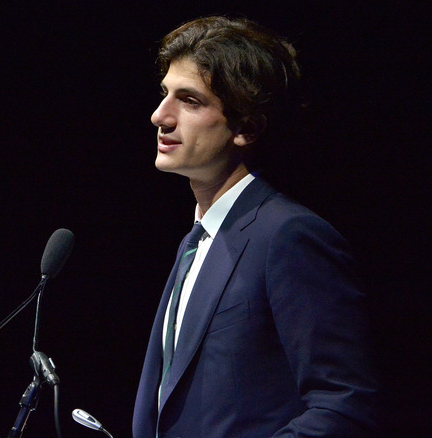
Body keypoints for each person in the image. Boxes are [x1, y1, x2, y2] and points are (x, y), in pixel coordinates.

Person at [132, 16, 379, 437]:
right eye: (164, 95)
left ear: (245, 126)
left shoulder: (289, 235)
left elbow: (344, 404)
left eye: (189, 101)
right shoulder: (196, 242)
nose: (160, 116)